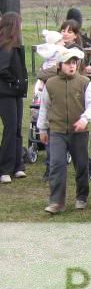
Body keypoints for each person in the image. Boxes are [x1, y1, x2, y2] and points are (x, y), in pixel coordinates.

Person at [38, 46, 91, 213]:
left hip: (79, 132)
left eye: (74, 63)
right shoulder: (50, 84)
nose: (72, 66)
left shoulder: (84, 83)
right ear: (59, 65)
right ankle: (56, 202)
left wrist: (84, 119)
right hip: (56, 131)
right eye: (67, 63)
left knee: (81, 165)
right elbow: (44, 108)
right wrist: (42, 129)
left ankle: (81, 197)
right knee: (56, 165)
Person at [0, 12, 29, 184]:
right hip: (5, 94)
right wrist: (15, 81)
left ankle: (18, 165)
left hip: (16, 93)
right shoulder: (5, 46)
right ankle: (5, 169)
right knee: (10, 129)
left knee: (18, 128)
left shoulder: (16, 45)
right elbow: (2, 69)